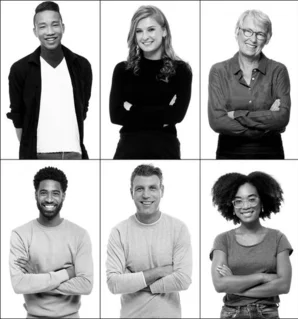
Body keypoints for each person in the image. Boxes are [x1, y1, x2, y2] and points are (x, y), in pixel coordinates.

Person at [6, 1, 92, 159]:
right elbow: (17, 116)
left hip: (75, 154)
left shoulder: (81, 66)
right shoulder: (20, 69)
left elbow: (83, 109)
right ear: (35, 31)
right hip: (37, 154)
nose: (50, 32)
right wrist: (29, 147)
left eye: (55, 25)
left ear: (63, 27)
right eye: (43, 26)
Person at [106, 164, 192, 318]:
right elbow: (114, 284)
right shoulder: (119, 232)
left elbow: (183, 280)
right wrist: (161, 271)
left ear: (162, 191)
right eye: (139, 189)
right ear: (131, 192)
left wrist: (135, 281)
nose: (146, 195)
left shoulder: (178, 228)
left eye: (152, 188)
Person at [109, 5, 192, 159]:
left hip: (165, 149)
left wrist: (132, 108)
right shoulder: (122, 70)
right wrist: (163, 114)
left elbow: (177, 115)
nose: (144, 36)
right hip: (128, 149)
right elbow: (116, 116)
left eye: (151, 29)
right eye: (139, 31)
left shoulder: (181, 70)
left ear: (164, 31)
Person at [9, 167, 93, 318]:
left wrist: (37, 277)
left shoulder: (79, 235)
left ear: (63, 196)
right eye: (43, 193)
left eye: (55, 193)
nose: (49, 199)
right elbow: (19, 284)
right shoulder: (20, 234)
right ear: (36, 195)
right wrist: (68, 273)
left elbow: (86, 285)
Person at [208, 10, 291, 159]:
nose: (253, 39)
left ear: (268, 38)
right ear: (237, 31)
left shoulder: (278, 70)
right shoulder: (218, 71)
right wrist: (266, 123)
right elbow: (217, 121)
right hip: (229, 154)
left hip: (270, 153)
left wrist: (236, 115)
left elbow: (282, 118)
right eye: (248, 31)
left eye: (260, 34)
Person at [210, 171, 292, 318]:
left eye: (252, 199)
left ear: (262, 202)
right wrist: (262, 277)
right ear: (232, 207)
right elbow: (220, 285)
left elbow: (284, 285)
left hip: (267, 313)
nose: (245, 206)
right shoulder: (222, 240)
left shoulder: (278, 238)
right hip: (232, 314)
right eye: (238, 201)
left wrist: (235, 285)